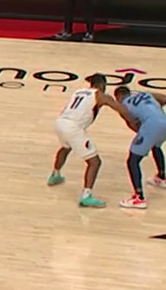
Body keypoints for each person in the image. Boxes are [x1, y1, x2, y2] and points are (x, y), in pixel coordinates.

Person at [47, 74, 135, 208]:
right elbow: (121, 110)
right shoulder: (101, 95)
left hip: (60, 123)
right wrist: (134, 120)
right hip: (73, 128)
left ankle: (55, 174)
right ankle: (86, 196)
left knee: (66, 147)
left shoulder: (79, 92)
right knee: (95, 162)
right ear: (103, 84)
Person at [115, 86, 166, 210]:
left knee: (133, 160)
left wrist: (143, 134)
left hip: (152, 125)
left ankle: (139, 198)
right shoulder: (144, 94)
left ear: (118, 97)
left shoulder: (123, 106)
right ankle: (161, 177)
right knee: (156, 146)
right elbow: (164, 99)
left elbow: (132, 123)